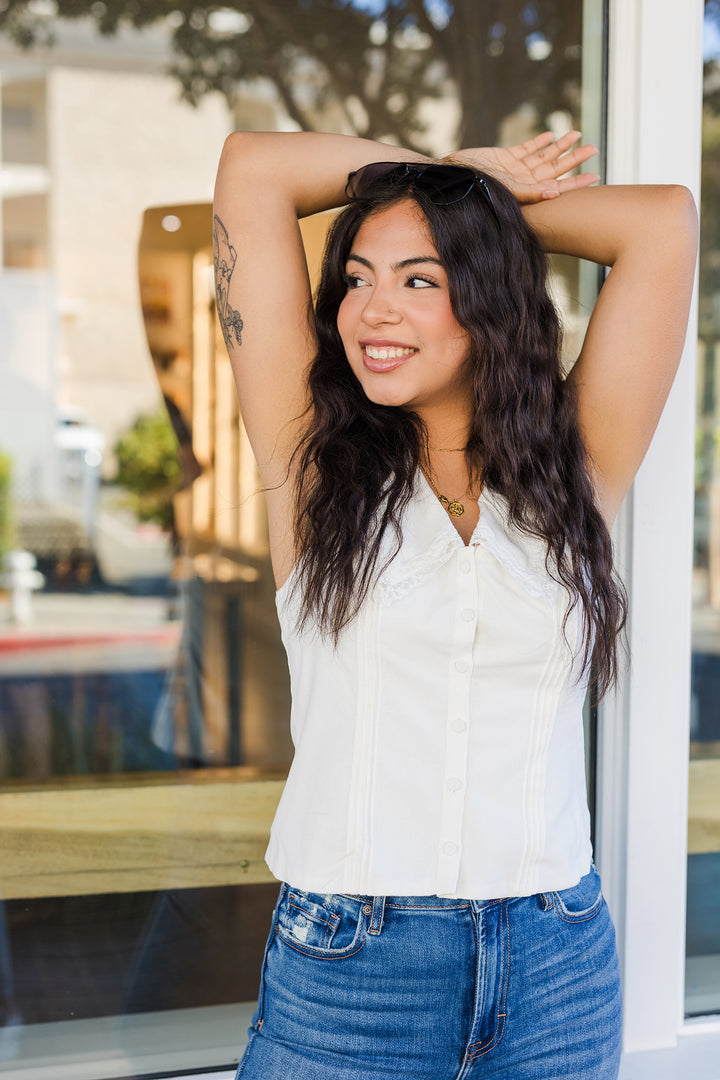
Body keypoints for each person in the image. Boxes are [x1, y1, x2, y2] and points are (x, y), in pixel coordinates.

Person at [213, 130, 697, 1080]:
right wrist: (456, 171)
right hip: (352, 975)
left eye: (419, 280)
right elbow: (254, 170)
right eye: (356, 278)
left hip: (558, 967)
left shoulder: (574, 470)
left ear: (488, 298)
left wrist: (467, 199)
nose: (370, 310)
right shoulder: (309, 462)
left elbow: (661, 223)